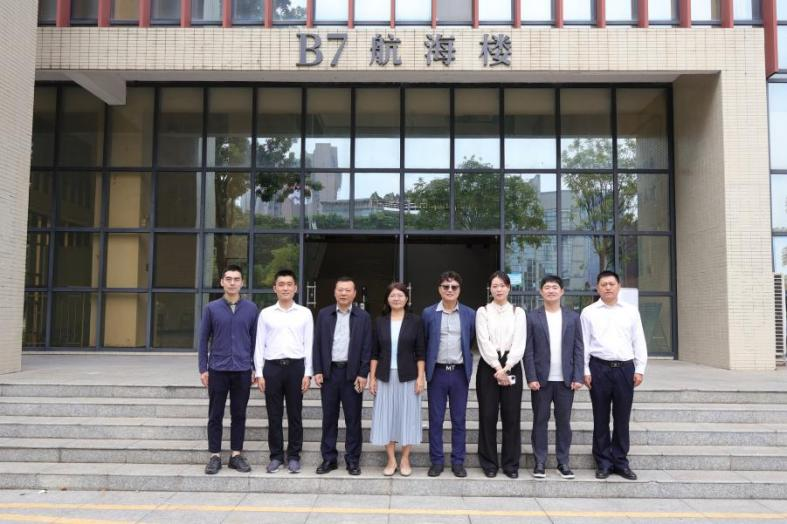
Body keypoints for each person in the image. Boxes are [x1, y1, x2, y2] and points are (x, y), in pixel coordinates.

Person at [581, 270, 647, 481]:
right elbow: (584, 343)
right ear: (597, 288)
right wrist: (585, 370)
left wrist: (640, 368)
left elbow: (639, 340)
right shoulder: (588, 312)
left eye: (611, 284)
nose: (608, 287)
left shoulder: (631, 311)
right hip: (598, 368)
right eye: (603, 284)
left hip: (625, 369)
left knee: (622, 417)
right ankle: (603, 462)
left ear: (619, 286)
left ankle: (620, 461)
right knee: (600, 417)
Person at [197, 265, 257, 475]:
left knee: (239, 413)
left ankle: (235, 455)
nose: (232, 283)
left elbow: (255, 341)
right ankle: (214, 456)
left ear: (242, 283)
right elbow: (203, 340)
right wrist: (203, 368)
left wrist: (255, 367)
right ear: (222, 282)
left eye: (236, 279)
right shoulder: (211, 308)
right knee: (215, 414)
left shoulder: (251, 309)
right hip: (218, 369)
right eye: (228, 279)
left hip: (242, 369)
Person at [523, 275, 584, 480]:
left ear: (562, 291)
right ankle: (539, 462)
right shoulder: (532, 317)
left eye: (555, 287)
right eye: (547, 287)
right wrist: (531, 376)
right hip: (541, 380)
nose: (551, 290)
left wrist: (578, 376)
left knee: (563, 422)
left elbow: (578, 348)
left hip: (566, 380)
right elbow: (528, 350)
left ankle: (563, 462)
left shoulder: (573, 317)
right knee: (540, 421)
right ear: (541, 292)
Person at [254, 269, 314, 474]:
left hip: (296, 367)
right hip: (272, 368)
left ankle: (294, 455)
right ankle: (276, 456)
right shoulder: (266, 313)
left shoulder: (305, 313)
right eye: (281, 284)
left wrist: (308, 372)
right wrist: (259, 373)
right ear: (275, 288)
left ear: (296, 288)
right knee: (274, 414)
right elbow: (259, 344)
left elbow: (309, 344)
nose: (285, 288)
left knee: (295, 414)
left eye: (289, 284)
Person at [312, 277, 372, 476]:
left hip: (352, 374)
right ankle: (329, 459)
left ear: (354, 293)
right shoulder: (324, 314)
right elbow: (317, 344)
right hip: (329, 373)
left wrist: (363, 373)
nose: (343, 293)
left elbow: (367, 347)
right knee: (329, 418)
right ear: (334, 292)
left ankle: (353, 460)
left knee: (353, 419)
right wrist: (317, 370)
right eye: (340, 290)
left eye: (347, 290)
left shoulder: (363, 317)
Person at [421, 271, 476, 478]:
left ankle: (458, 462)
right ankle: (436, 462)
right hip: (437, 373)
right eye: (446, 286)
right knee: (435, 420)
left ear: (459, 290)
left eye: (454, 287)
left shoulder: (469, 314)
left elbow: (470, 339)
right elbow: (425, 341)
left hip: (459, 373)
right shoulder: (428, 313)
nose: (450, 290)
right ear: (439, 289)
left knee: (459, 419)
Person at [369, 282, 426, 477]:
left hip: (409, 376)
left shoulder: (415, 321)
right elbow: (374, 353)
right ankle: (391, 459)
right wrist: (372, 378)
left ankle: (405, 458)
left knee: (408, 417)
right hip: (384, 376)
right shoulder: (380, 322)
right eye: (392, 295)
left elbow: (420, 352)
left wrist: (420, 378)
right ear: (387, 299)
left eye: (400, 295)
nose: (396, 298)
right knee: (386, 417)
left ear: (406, 299)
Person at [475, 270, 526, 478]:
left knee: (511, 417)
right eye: (495, 286)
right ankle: (489, 463)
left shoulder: (518, 312)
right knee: (487, 416)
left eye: (502, 285)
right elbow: (483, 341)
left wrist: (507, 366)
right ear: (490, 289)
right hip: (489, 366)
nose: (499, 289)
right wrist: (498, 367)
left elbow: (520, 342)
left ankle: (510, 464)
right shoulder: (483, 312)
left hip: (512, 364)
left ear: (509, 288)